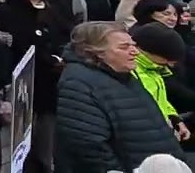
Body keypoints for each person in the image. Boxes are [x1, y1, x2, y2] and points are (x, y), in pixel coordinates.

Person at [55, 20, 193, 171]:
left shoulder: (122, 73)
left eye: (133, 45)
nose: (135, 51)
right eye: (124, 47)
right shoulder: (78, 83)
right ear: (97, 52)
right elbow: (89, 146)